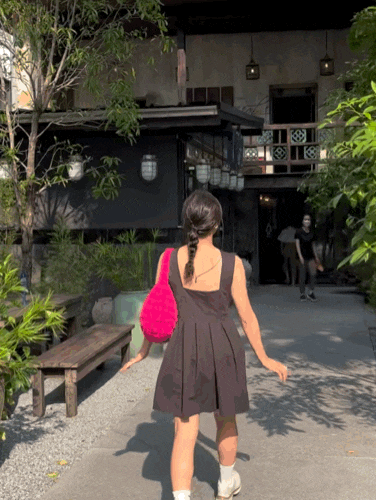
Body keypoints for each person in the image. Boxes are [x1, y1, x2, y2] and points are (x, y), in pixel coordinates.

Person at [120, 190, 289, 500]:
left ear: (187, 222)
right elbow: (247, 317)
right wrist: (264, 358)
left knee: (185, 432)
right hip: (224, 347)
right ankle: (226, 483)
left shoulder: (168, 259)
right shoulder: (232, 264)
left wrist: (143, 351)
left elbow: (157, 311)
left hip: (183, 348)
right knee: (226, 419)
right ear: (217, 223)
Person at [294, 214, 321, 302]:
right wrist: (300, 256)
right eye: (305, 219)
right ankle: (302, 293)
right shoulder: (298, 232)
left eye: (308, 220)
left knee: (313, 274)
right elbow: (297, 245)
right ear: (302, 221)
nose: (307, 221)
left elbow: (313, 245)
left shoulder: (312, 233)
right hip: (302, 256)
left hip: (311, 256)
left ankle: (310, 292)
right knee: (302, 276)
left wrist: (316, 256)